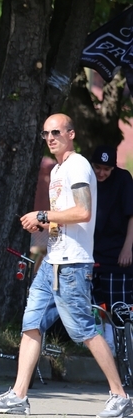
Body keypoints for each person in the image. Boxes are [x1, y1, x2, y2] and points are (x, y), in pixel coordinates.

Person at [0, 114, 132, 418]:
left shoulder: (77, 165)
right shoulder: (59, 170)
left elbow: (82, 211)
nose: (51, 138)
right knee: (31, 324)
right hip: (52, 261)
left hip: (73, 264)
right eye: (46, 134)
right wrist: (45, 227)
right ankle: (18, 395)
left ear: (71, 134)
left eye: (56, 133)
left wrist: (42, 215)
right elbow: (60, 218)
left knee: (84, 330)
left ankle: (120, 396)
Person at [90, 145, 133, 348]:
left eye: (106, 169)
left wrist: (128, 248)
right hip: (93, 251)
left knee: (121, 308)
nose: (101, 173)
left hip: (118, 252)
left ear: (113, 168)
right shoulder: (87, 179)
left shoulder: (123, 179)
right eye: (97, 167)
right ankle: (107, 345)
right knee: (97, 305)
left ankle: (125, 347)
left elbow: (132, 215)